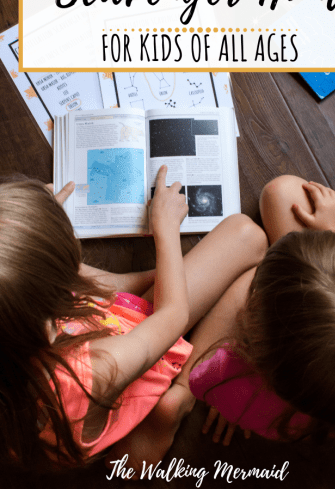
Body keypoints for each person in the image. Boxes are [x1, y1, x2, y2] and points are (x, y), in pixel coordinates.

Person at [0, 167, 267, 473]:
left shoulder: (14, 322)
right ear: (53, 298)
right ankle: (179, 396)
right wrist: (165, 228)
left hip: (87, 357)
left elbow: (88, 288)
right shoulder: (96, 368)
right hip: (132, 362)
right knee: (248, 238)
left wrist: (33, 227)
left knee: (218, 256)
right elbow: (172, 315)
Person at [188, 153, 335, 445]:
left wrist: (228, 398)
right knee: (283, 193)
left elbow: (205, 375)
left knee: (272, 205)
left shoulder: (232, 382)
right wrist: (333, 232)